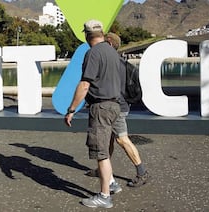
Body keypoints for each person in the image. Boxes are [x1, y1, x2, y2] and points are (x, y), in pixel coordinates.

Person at [64, 19, 121, 209]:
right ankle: (111, 183)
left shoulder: (93, 53)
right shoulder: (112, 51)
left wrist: (71, 109)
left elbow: (85, 84)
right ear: (102, 33)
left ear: (87, 35)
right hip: (115, 105)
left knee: (101, 151)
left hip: (101, 107)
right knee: (105, 146)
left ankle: (105, 196)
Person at [102, 32, 149, 189]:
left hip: (117, 107)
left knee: (122, 139)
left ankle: (142, 172)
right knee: (108, 140)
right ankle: (103, 169)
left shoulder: (111, 63)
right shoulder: (120, 61)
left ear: (108, 43)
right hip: (122, 105)